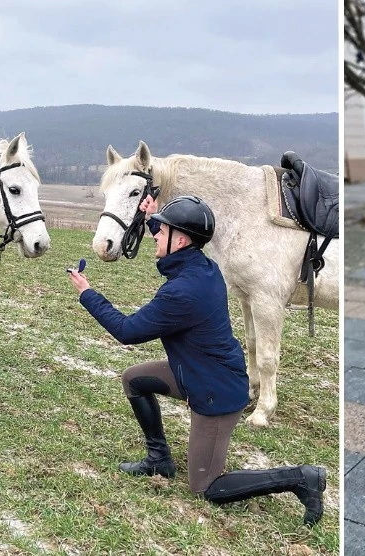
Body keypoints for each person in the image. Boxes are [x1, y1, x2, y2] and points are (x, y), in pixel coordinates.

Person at [67, 195, 327, 526]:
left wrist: (87, 294)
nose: (156, 237)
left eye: (162, 232)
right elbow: (170, 237)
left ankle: (301, 478)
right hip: (195, 373)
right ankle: (159, 460)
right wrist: (151, 218)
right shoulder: (203, 267)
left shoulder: (182, 292)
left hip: (215, 391)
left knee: (206, 487)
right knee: (134, 379)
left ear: (183, 239)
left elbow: (126, 330)